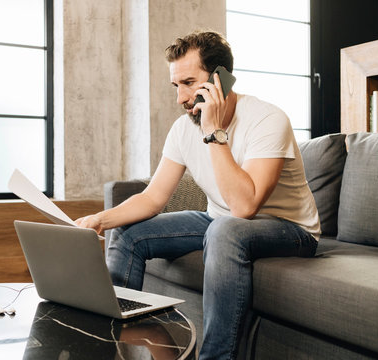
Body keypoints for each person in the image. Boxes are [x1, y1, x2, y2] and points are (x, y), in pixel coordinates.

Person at [75, 30, 320, 359]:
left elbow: (244, 207)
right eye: (176, 86)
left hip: (290, 228)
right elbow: (153, 198)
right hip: (220, 221)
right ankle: (111, 343)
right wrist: (99, 220)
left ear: (221, 80)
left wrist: (213, 131)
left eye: (189, 83)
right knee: (130, 233)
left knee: (225, 228)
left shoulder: (267, 119)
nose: (180, 98)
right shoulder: (181, 129)